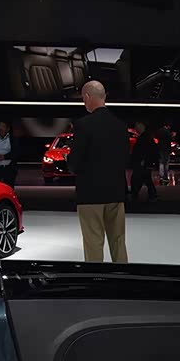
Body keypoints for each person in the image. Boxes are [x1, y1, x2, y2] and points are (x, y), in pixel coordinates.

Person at [68, 80, 129, 263]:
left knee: (93, 243)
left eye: (83, 99)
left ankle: (96, 279)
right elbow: (126, 159)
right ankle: (122, 277)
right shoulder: (120, 125)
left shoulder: (83, 125)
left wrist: (69, 162)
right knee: (118, 242)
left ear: (87, 97)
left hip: (90, 195)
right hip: (116, 193)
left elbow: (75, 162)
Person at [129, 121, 158, 202]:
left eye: (136, 126)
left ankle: (135, 194)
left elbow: (145, 150)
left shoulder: (144, 137)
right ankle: (151, 194)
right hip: (143, 162)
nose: (135, 128)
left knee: (138, 178)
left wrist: (143, 160)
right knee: (145, 178)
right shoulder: (146, 136)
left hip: (142, 162)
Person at [156, 121, 172, 185]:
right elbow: (170, 139)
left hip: (160, 148)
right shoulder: (167, 132)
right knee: (166, 163)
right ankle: (165, 176)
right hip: (166, 149)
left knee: (161, 163)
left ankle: (161, 176)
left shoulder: (159, 131)